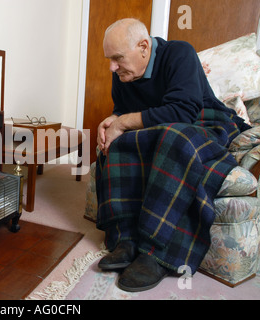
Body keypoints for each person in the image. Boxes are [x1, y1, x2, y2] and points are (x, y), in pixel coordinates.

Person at [95, 18, 250, 292]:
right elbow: (123, 110)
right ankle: (126, 239)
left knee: (174, 138)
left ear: (144, 47)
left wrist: (122, 121)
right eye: (110, 59)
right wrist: (111, 122)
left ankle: (158, 251)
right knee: (117, 143)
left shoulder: (180, 52)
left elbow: (183, 112)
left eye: (117, 58)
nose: (112, 67)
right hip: (160, 126)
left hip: (202, 122)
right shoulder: (122, 72)